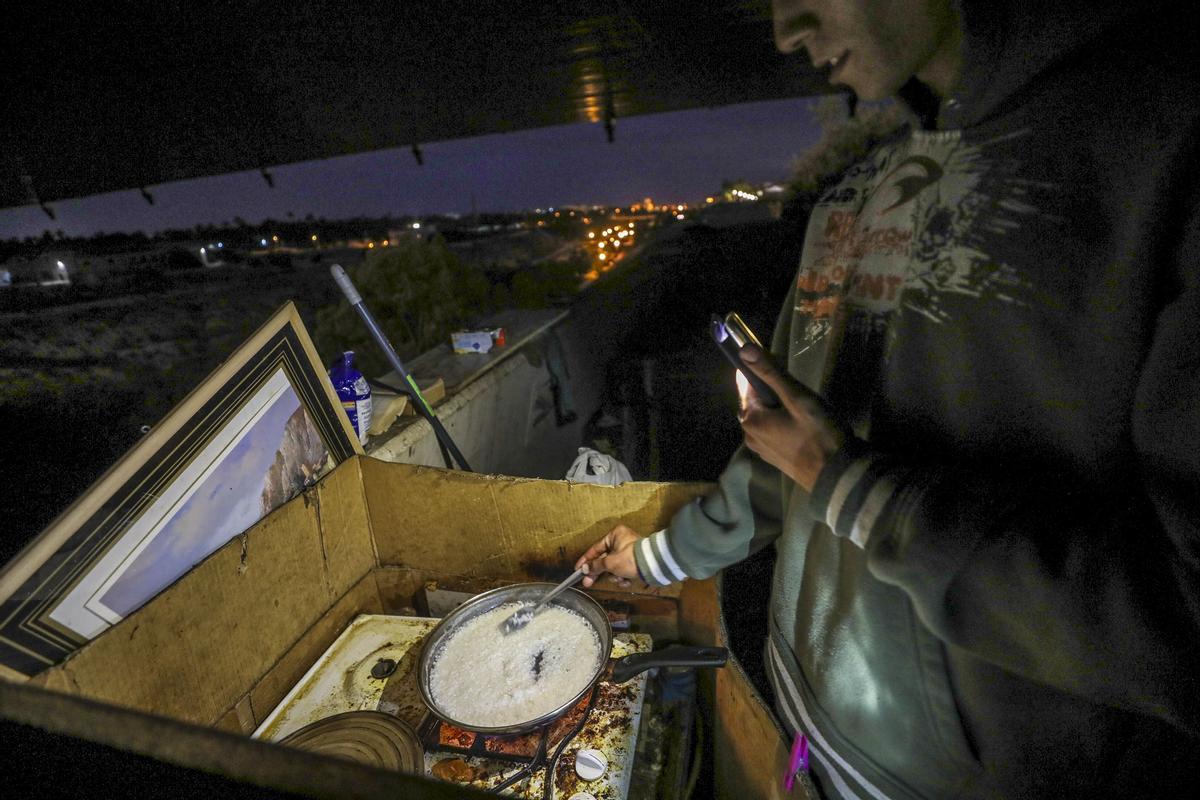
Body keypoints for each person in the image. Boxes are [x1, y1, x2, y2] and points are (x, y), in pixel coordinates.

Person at [575, 0, 1200, 797]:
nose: (784, 30)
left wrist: (855, 487)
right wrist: (658, 558)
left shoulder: (1160, 145)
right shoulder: (853, 201)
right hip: (802, 721)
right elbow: (788, 448)